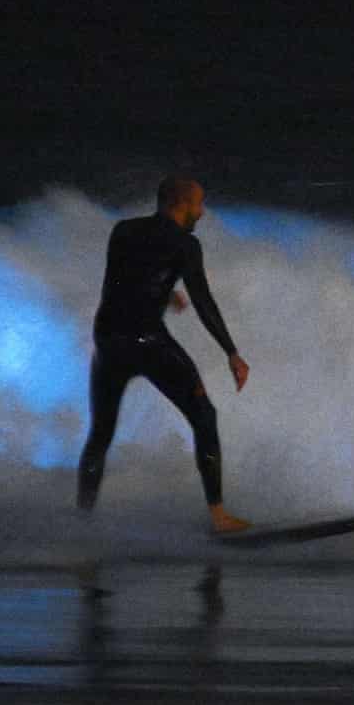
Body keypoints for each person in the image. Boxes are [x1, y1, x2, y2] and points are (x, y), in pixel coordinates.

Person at [77, 176, 252, 533]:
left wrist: (164, 294)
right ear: (181, 204)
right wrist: (231, 352)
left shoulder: (123, 231)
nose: (201, 212)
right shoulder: (186, 246)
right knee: (204, 415)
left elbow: (122, 279)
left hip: (109, 340)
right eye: (198, 204)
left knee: (100, 433)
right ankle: (219, 516)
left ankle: (82, 521)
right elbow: (203, 303)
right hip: (148, 342)